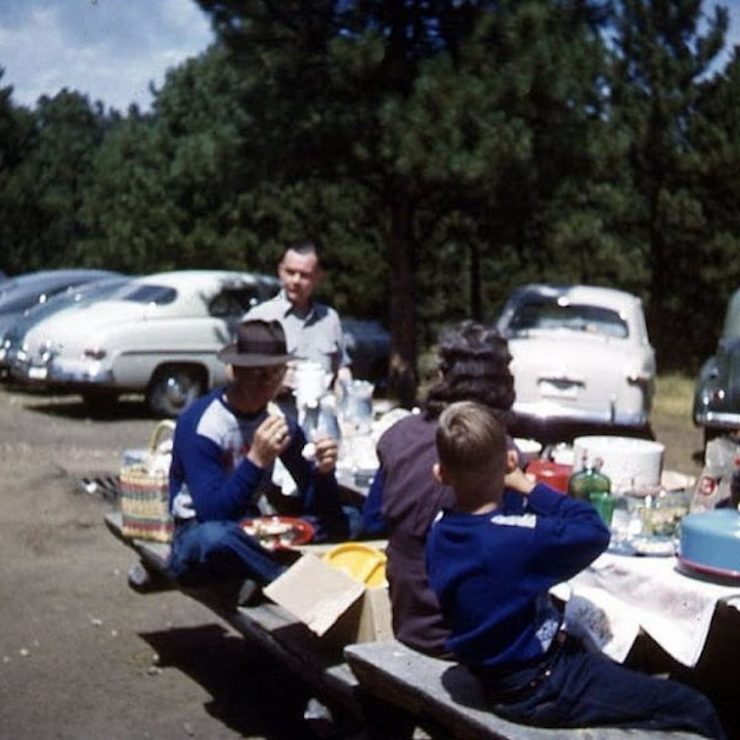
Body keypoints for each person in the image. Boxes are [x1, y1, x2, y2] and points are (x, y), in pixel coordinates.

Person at [426, 401, 726, 738]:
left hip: (497, 677)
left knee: (627, 668)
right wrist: (529, 486)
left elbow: (490, 526)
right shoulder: (518, 540)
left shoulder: (441, 532)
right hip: (542, 688)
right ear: (510, 462)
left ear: (441, 473)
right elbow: (594, 530)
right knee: (693, 705)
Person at [167, 319, 351, 602]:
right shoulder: (203, 424)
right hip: (196, 534)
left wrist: (323, 472)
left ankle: (258, 573)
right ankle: (291, 585)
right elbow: (212, 513)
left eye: (276, 372)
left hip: (254, 528)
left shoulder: (279, 421)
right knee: (217, 537)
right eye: (257, 373)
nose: (267, 382)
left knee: (351, 519)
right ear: (236, 372)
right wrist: (255, 460)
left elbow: (320, 507)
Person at [361, 320, 515, 657]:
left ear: (442, 376)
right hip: (460, 639)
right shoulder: (498, 453)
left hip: (407, 621)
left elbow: (371, 521)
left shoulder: (399, 434)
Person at [245, 241, 351, 385]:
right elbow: (233, 372)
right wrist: (273, 378)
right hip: (274, 399)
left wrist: (349, 389)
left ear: (318, 277)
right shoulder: (260, 317)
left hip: (321, 398)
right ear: (280, 271)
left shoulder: (330, 319)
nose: (296, 280)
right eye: (290, 272)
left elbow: (341, 369)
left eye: (304, 275)